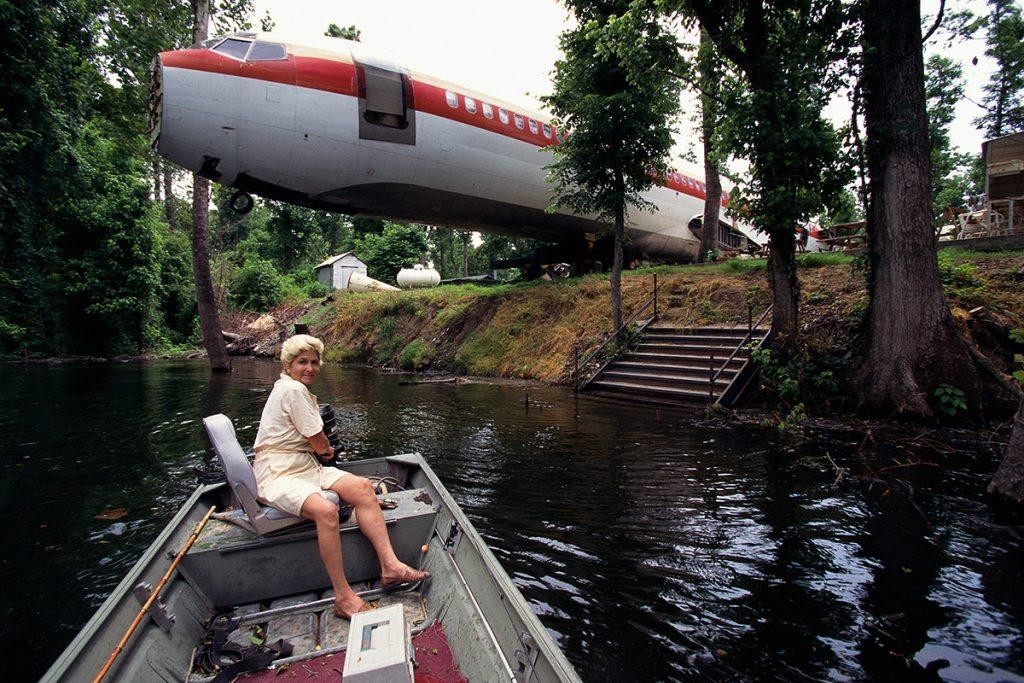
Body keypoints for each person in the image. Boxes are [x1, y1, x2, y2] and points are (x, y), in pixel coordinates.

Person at [253, 334, 428, 618]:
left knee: (361, 488)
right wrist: (326, 449)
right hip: (278, 472)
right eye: (302, 362)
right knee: (326, 510)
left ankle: (390, 567)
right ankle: (343, 597)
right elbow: (319, 443)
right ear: (288, 364)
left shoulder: (292, 387)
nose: (310, 368)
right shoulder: (292, 391)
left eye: (314, 362)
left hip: (304, 467)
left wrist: (321, 452)